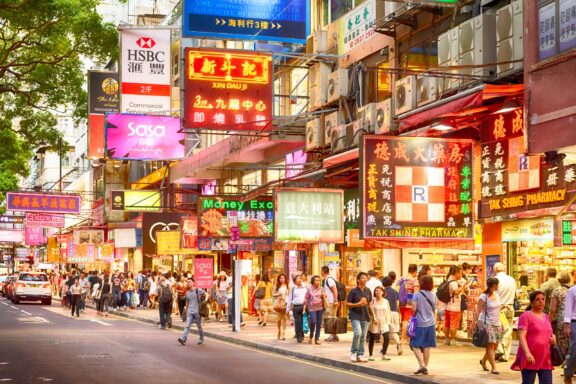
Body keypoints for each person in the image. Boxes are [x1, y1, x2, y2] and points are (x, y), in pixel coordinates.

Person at [512, 291, 555, 384]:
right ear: (531, 302)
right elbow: (521, 336)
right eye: (537, 299)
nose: (541, 301)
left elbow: (549, 332)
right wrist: (527, 353)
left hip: (545, 357)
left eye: (543, 299)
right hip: (530, 358)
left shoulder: (546, 317)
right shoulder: (525, 316)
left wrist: (553, 339)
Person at [474, 277, 503, 375]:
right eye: (497, 284)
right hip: (486, 323)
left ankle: (483, 361)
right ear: (494, 285)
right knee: (490, 345)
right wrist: (474, 323)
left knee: (495, 346)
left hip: (497, 323)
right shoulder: (483, 296)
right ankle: (494, 367)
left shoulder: (497, 295)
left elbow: (498, 309)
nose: (498, 286)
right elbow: (478, 310)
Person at [410, 275, 437, 375]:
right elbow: (434, 308)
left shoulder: (416, 294)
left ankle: (422, 365)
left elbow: (413, 309)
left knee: (414, 344)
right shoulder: (433, 294)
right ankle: (424, 367)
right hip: (431, 323)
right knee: (427, 346)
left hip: (420, 323)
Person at [347, 272, 376, 363]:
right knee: (358, 333)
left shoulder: (368, 291)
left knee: (363, 336)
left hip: (366, 316)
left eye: (366, 278)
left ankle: (361, 354)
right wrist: (357, 304)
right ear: (358, 280)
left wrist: (374, 316)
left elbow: (370, 304)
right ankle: (353, 353)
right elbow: (347, 304)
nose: (365, 279)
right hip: (355, 315)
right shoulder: (353, 291)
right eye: (363, 278)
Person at [494, 262, 516, 362]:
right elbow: (516, 295)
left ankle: (499, 349)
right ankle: (505, 355)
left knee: (498, 330)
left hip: (500, 309)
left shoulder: (495, 280)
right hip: (510, 308)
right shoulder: (511, 279)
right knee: (508, 330)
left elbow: (492, 296)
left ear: (495, 270)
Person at [444, 266, 470, 346]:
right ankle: (453, 340)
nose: (461, 275)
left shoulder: (448, 280)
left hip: (447, 305)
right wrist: (465, 284)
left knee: (447, 324)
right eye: (460, 273)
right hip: (454, 306)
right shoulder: (454, 282)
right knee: (453, 324)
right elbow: (457, 292)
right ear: (456, 273)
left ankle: (447, 339)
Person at [178, 278, 206, 346]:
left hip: (197, 312)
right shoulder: (187, 293)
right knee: (187, 326)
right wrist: (186, 311)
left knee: (199, 327)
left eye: (190, 282)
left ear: (193, 283)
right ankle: (183, 339)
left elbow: (206, 294)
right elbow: (187, 303)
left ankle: (201, 339)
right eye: (187, 282)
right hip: (190, 312)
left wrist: (205, 301)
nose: (188, 283)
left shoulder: (198, 290)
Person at [550, 271, 572, 357]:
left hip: (562, 318)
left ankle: (566, 360)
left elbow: (552, 309)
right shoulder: (573, 289)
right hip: (573, 318)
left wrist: (548, 320)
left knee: (563, 340)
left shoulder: (557, 291)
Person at [368, 286, 392, 361]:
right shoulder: (373, 301)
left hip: (384, 321)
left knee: (387, 337)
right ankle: (371, 355)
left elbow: (388, 312)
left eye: (380, 291)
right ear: (374, 292)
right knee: (372, 338)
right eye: (376, 291)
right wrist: (373, 318)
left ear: (383, 292)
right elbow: (370, 311)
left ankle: (384, 354)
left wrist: (389, 322)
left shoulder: (386, 301)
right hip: (375, 321)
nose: (378, 292)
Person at [399, 264, 419, 345]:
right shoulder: (414, 280)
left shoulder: (401, 278)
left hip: (401, 302)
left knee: (403, 320)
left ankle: (405, 338)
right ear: (415, 271)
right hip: (410, 303)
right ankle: (403, 339)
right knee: (407, 321)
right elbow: (416, 294)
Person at [383, 276, 402, 355]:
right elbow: (398, 304)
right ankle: (398, 343)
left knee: (383, 331)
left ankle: (383, 349)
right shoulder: (395, 291)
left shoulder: (382, 292)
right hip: (395, 313)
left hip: (386, 313)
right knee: (394, 332)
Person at [321, 266, 340, 342]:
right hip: (329, 302)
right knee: (330, 318)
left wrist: (335, 300)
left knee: (331, 318)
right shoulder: (327, 279)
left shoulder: (329, 279)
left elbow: (335, 290)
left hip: (331, 302)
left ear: (322, 271)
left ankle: (334, 335)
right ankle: (332, 335)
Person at [286, 274, 307, 343]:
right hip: (296, 307)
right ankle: (299, 337)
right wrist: (288, 309)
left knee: (304, 322)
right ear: (294, 281)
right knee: (298, 323)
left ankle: (302, 334)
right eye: (297, 279)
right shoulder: (293, 289)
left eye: (300, 278)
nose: (299, 280)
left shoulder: (305, 288)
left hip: (304, 307)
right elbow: (289, 299)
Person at [562, 279, 576, 384]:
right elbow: (568, 308)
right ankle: (568, 374)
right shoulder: (572, 290)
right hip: (574, 323)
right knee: (573, 352)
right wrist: (566, 325)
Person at [305, 275, 325, 345]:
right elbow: (306, 298)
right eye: (316, 280)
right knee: (313, 322)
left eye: (319, 280)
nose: (318, 282)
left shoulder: (321, 288)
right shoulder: (309, 289)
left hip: (320, 308)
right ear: (313, 281)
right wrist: (305, 307)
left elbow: (325, 297)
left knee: (319, 323)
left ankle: (317, 339)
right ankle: (311, 336)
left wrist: (324, 295)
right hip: (312, 308)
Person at [273, 273, 289, 340]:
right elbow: (273, 294)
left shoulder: (288, 286)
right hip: (279, 303)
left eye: (283, 278)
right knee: (279, 319)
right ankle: (279, 330)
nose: (282, 279)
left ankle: (283, 333)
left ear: (285, 279)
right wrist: (278, 294)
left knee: (285, 318)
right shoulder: (276, 286)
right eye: (280, 278)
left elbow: (290, 294)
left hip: (286, 303)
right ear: (278, 279)